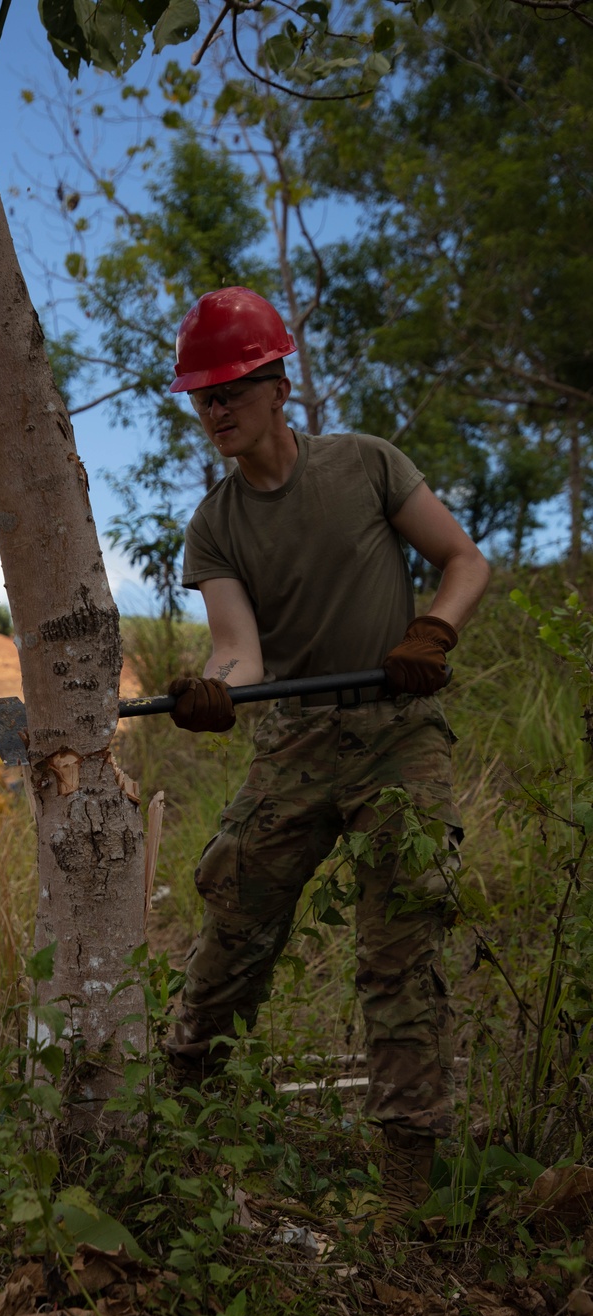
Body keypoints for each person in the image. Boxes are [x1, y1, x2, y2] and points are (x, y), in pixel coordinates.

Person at [164, 286, 491, 1218]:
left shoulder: (366, 465)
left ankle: (404, 1186)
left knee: (400, 950)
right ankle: (176, 1129)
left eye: (230, 391)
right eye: (203, 398)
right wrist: (215, 689)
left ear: (276, 384)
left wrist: (433, 631)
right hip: (297, 739)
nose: (215, 412)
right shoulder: (216, 524)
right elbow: (241, 652)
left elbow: (463, 560)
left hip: (400, 734)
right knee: (232, 925)